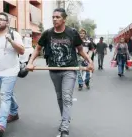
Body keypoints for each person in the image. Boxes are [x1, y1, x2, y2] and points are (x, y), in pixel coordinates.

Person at [26, 8, 94, 137]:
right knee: (60, 97)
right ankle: (65, 119)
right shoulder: (47, 33)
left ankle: (64, 127)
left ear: (64, 19)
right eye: (53, 17)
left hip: (70, 69)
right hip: (54, 70)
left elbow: (80, 50)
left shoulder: (72, 33)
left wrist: (89, 61)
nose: (54, 19)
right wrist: (30, 62)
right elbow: (37, 49)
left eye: (57, 17)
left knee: (67, 97)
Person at [0, 12, 25, 137]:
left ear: (7, 23)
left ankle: (1, 124)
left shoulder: (14, 34)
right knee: (8, 94)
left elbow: (22, 51)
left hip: (11, 71)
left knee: (4, 96)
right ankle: (14, 112)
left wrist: (10, 40)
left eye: (1, 19)